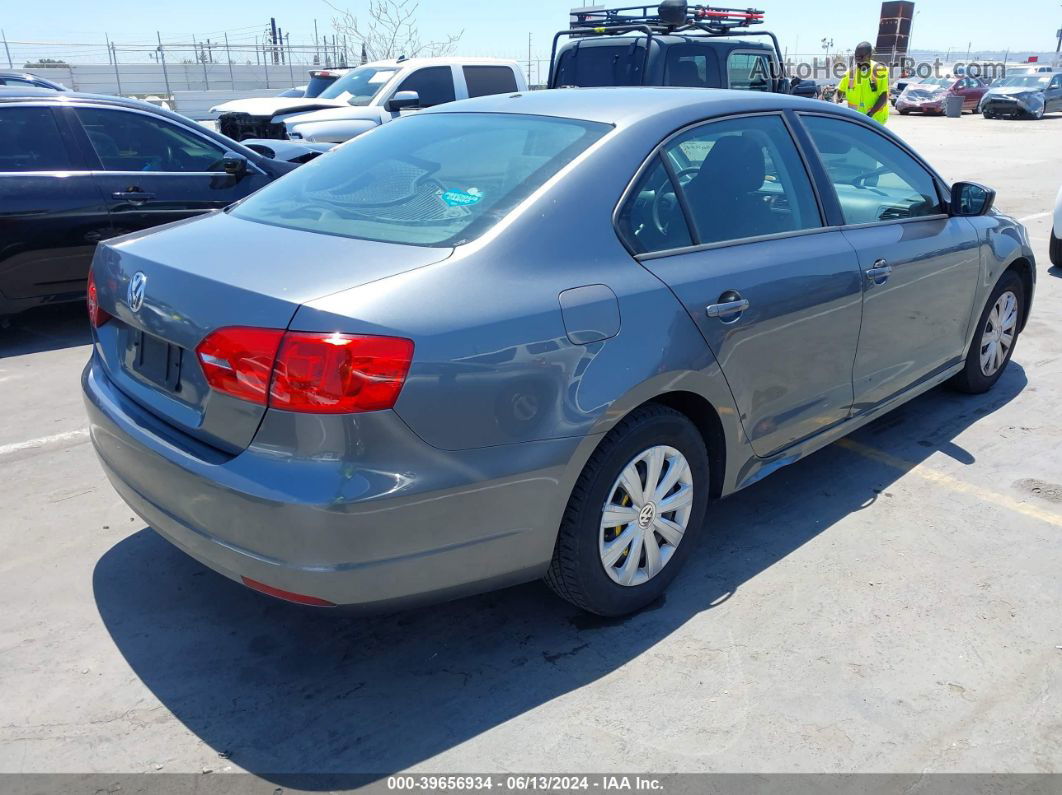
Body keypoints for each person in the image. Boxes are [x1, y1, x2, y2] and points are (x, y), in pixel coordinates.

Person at [837, 42, 890, 124]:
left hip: (876, 120)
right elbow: (839, 91)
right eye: (856, 57)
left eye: (861, 57)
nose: (858, 60)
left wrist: (870, 115)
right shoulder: (850, 73)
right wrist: (836, 99)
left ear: (870, 55)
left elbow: (883, 96)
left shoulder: (880, 70)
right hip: (856, 121)